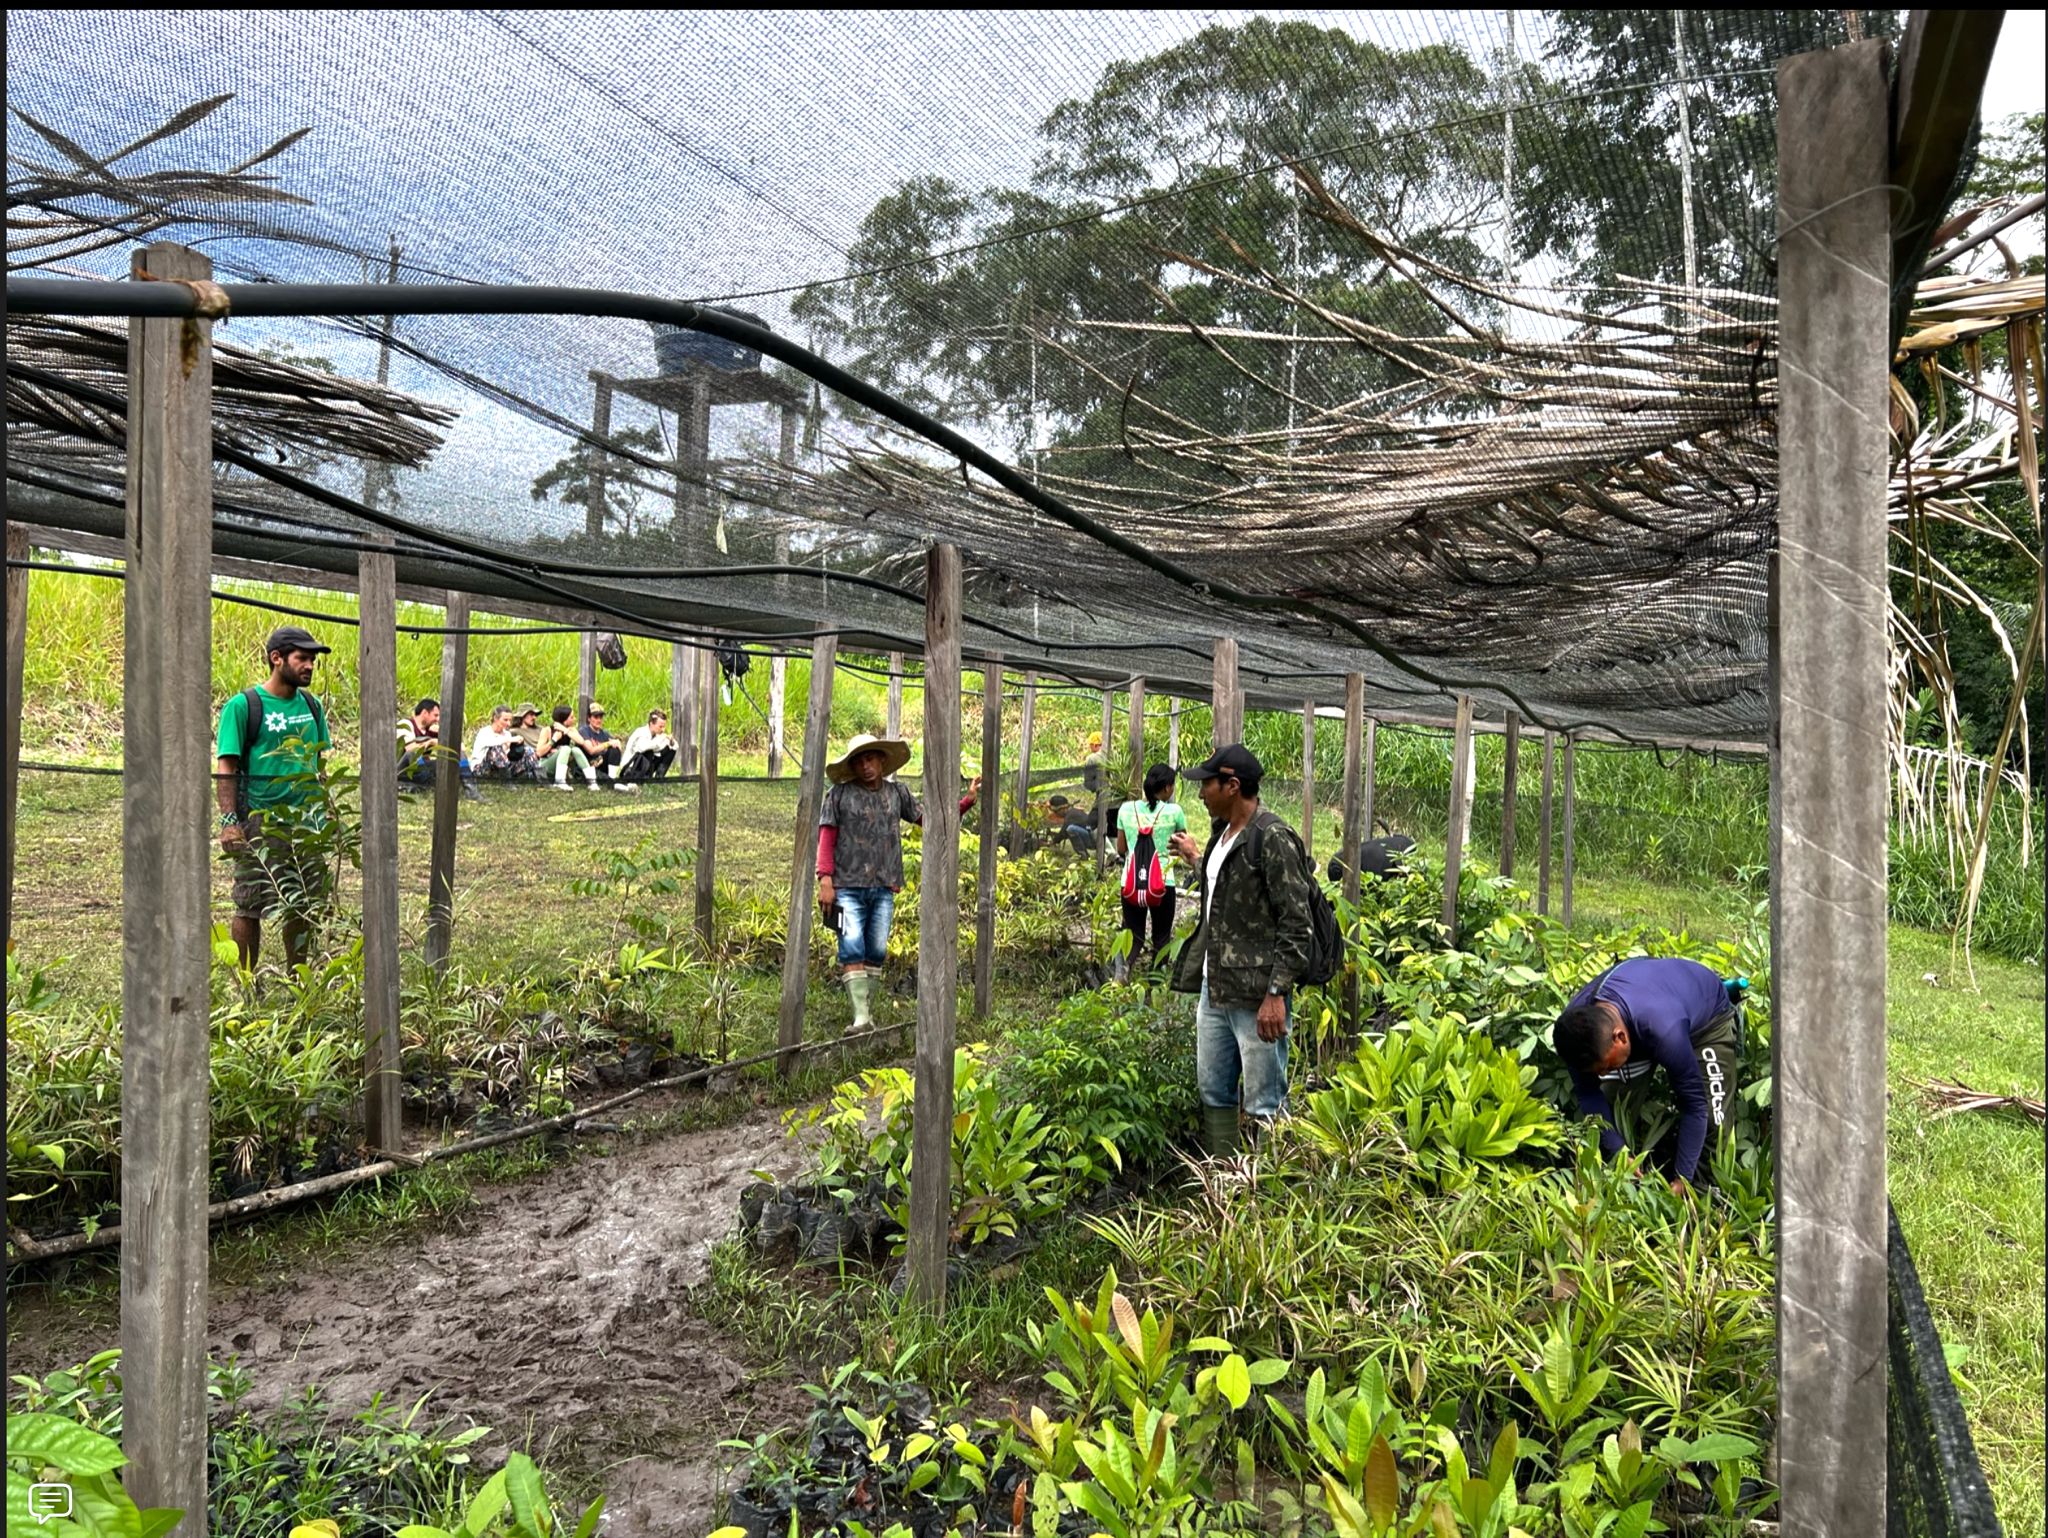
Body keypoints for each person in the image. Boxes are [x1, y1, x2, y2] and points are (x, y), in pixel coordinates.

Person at [1166, 744, 1316, 1155]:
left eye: (1207, 785)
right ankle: (1222, 1180)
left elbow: (1296, 923)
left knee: (1264, 1100)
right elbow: (1227, 892)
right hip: (1214, 991)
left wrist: (1275, 995)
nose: (1200, 794)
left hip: (1256, 998)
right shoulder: (1221, 837)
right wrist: (1197, 858)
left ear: (1232, 786)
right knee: (1214, 1089)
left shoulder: (1273, 838)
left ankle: (1264, 1192)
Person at [814, 733, 980, 1033]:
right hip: (846, 885)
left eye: (870, 759)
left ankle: (867, 1014)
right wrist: (825, 879)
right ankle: (861, 1018)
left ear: (881, 761)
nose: (865, 766)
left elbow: (930, 821)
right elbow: (826, 836)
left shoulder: (896, 794)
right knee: (851, 945)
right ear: (852, 766)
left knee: (876, 949)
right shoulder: (838, 795)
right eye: (859, 761)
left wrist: (966, 802)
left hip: (884, 885)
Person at [1551, 956, 1745, 1193]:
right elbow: (1589, 1094)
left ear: (1620, 1038)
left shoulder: (1664, 1031)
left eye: (1606, 1068)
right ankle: (1620, 1190)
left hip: (1707, 1019)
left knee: (1715, 1124)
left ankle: (1703, 1198)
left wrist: (1682, 1177)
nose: (1601, 1074)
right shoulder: (1575, 1035)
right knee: (1608, 1115)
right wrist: (1620, 1153)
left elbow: (1695, 1106)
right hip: (1649, 1008)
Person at [215, 625, 334, 971]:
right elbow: (226, 766)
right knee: (250, 905)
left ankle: (298, 981)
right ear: (276, 658)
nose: (309, 665)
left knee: (302, 904)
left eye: (313, 660)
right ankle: (248, 985)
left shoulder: (312, 705)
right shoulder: (243, 706)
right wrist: (229, 822)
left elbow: (318, 762)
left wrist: (326, 810)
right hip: (261, 821)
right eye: (302, 658)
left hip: (307, 823)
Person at [1113, 762, 1190, 979]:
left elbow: (1121, 849)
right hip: (1163, 883)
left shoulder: (1126, 809)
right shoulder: (1175, 812)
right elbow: (1181, 847)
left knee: (1132, 934)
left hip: (1131, 882)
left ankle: (1121, 977)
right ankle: (1156, 984)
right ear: (1166, 787)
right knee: (1161, 937)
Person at [399, 698, 479, 798]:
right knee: (412, 754)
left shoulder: (432, 730)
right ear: (424, 713)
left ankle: (471, 789)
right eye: (435, 715)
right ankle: (430, 783)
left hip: (423, 769)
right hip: (402, 770)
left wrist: (443, 733)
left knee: (458, 754)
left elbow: (461, 747)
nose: (437, 719)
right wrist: (431, 741)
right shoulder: (406, 724)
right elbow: (411, 749)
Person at [537, 704, 602, 791]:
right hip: (546, 767)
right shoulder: (547, 730)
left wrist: (565, 730)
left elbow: (581, 741)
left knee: (575, 749)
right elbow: (539, 753)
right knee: (566, 748)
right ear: (564, 719)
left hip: (560, 765)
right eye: (571, 717)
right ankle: (559, 782)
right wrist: (553, 740)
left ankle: (592, 782)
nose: (574, 719)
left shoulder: (570, 730)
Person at [577, 702, 631, 786]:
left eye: (601, 717)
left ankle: (613, 778)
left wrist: (617, 743)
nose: (599, 720)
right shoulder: (584, 731)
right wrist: (607, 744)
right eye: (595, 717)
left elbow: (616, 746)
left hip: (602, 764)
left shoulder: (605, 733)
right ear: (589, 718)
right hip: (589, 766)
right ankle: (613, 783)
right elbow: (591, 750)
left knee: (614, 749)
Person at [471, 705, 529, 781]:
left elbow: (506, 754)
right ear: (495, 718)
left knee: (528, 750)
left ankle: (539, 779)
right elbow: (494, 743)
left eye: (510, 720)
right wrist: (510, 740)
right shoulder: (484, 732)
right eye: (505, 720)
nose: (508, 723)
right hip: (481, 769)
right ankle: (507, 783)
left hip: (503, 768)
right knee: (496, 749)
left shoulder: (507, 734)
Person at [621, 709, 678, 781]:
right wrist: (663, 738)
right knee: (649, 752)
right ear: (651, 723)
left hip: (645, 766)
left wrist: (671, 741)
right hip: (631, 768)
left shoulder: (657, 735)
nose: (663, 730)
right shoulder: (641, 732)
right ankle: (642, 779)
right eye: (660, 727)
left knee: (670, 750)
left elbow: (675, 746)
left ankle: (659, 778)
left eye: (664, 727)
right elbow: (642, 748)